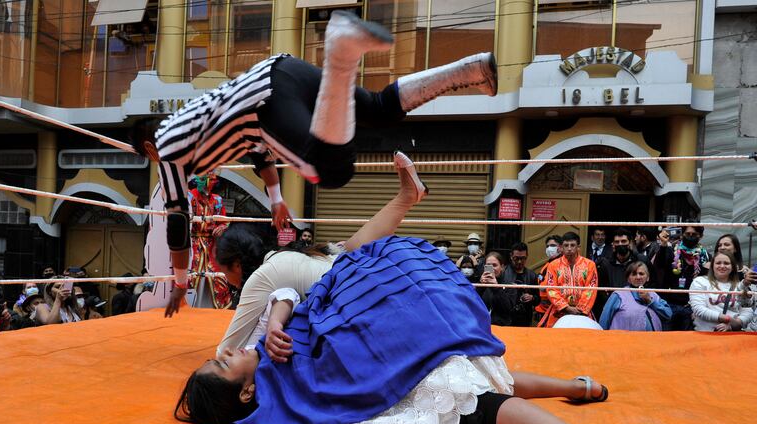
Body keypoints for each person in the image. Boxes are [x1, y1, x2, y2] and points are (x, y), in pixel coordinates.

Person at [175, 236, 653, 424]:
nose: (225, 353)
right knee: (472, 390)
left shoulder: (268, 342)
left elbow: (288, 294)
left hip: (379, 334)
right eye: (221, 365)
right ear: (243, 392)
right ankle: (579, 396)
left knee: (472, 398)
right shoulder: (273, 398)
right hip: (378, 356)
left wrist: (278, 319)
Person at [129, 10, 497, 317]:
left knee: (329, 170)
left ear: (150, 146)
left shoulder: (170, 152)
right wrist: (275, 198)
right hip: (283, 70)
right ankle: (471, 69)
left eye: (148, 156)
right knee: (379, 108)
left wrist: (179, 284)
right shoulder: (206, 123)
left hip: (264, 101)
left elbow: (177, 223)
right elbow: (258, 154)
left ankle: (341, 58)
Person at [216, 151, 428, 355]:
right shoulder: (286, 255)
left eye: (224, 272)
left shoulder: (260, 278)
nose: (227, 280)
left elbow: (226, 350)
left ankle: (407, 196)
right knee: (350, 249)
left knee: (348, 253)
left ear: (236, 264)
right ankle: (406, 197)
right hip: (375, 284)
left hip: (364, 300)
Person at [187, 172, 232, 309]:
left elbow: (224, 220)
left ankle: (218, 309)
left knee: (219, 276)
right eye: (210, 179)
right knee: (191, 274)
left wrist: (223, 226)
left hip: (212, 244)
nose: (213, 182)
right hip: (193, 242)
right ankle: (188, 306)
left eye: (214, 180)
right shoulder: (190, 196)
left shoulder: (217, 200)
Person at [653, 224, 710, 330]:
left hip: (692, 307)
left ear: (701, 236)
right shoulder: (672, 250)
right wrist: (663, 244)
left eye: (694, 234)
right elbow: (659, 264)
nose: (690, 236)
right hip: (670, 304)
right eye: (687, 234)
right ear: (682, 234)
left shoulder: (705, 256)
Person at [539, 232, 598, 328]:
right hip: (558, 311)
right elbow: (551, 289)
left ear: (578, 247)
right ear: (561, 247)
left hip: (582, 312)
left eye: (573, 245)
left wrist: (580, 309)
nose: (569, 248)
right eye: (566, 245)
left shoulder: (590, 265)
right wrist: (566, 308)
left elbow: (591, 288)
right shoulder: (553, 265)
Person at [595, 228, 652, 318]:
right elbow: (600, 289)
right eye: (617, 242)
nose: (620, 244)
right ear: (613, 244)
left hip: (638, 309)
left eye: (623, 241)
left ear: (630, 243)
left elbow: (651, 283)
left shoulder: (641, 260)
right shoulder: (605, 263)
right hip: (612, 309)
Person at [689, 251, 752, 332]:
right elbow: (698, 309)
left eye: (726, 263)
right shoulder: (700, 281)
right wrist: (728, 319)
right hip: (704, 335)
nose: (722, 266)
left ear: (732, 267)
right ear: (712, 266)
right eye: (718, 263)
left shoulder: (740, 285)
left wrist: (732, 326)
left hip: (731, 336)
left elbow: (748, 311)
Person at [599, 262, 672, 331]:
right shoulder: (619, 295)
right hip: (623, 341)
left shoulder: (653, 295)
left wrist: (650, 301)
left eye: (641, 274)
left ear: (648, 278)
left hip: (651, 341)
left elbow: (668, 314)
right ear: (628, 279)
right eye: (634, 274)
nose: (638, 277)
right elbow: (605, 319)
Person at [535, 234, 563, 321]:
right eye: (547, 246)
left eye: (553, 245)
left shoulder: (562, 266)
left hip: (555, 311)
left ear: (561, 248)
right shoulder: (547, 265)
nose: (549, 248)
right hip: (542, 309)